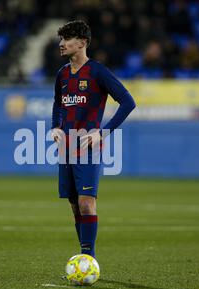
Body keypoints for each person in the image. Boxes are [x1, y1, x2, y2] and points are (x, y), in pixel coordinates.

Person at [51, 21, 136, 259]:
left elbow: (128, 102)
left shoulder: (98, 71)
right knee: (74, 204)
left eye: (66, 39)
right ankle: (84, 255)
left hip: (88, 148)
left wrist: (103, 132)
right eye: (61, 39)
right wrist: (55, 127)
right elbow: (58, 103)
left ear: (82, 42)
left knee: (87, 202)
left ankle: (88, 258)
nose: (61, 44)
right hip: (66, 147)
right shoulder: (62, 74)